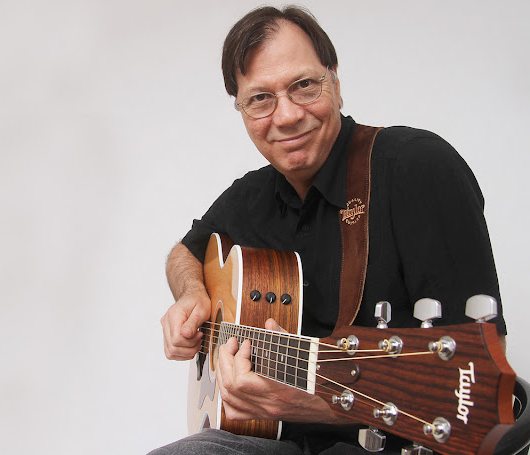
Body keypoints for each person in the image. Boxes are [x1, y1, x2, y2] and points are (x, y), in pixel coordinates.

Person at [153, 5, 507, 455]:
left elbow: (475, 387)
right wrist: (192, 295)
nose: (286, 116)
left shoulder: (417, 169)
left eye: (303, 86)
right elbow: (184, 253)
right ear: (240, 108)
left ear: (335, 83)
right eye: (260, 98)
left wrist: (314, 403)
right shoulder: (251, 196)